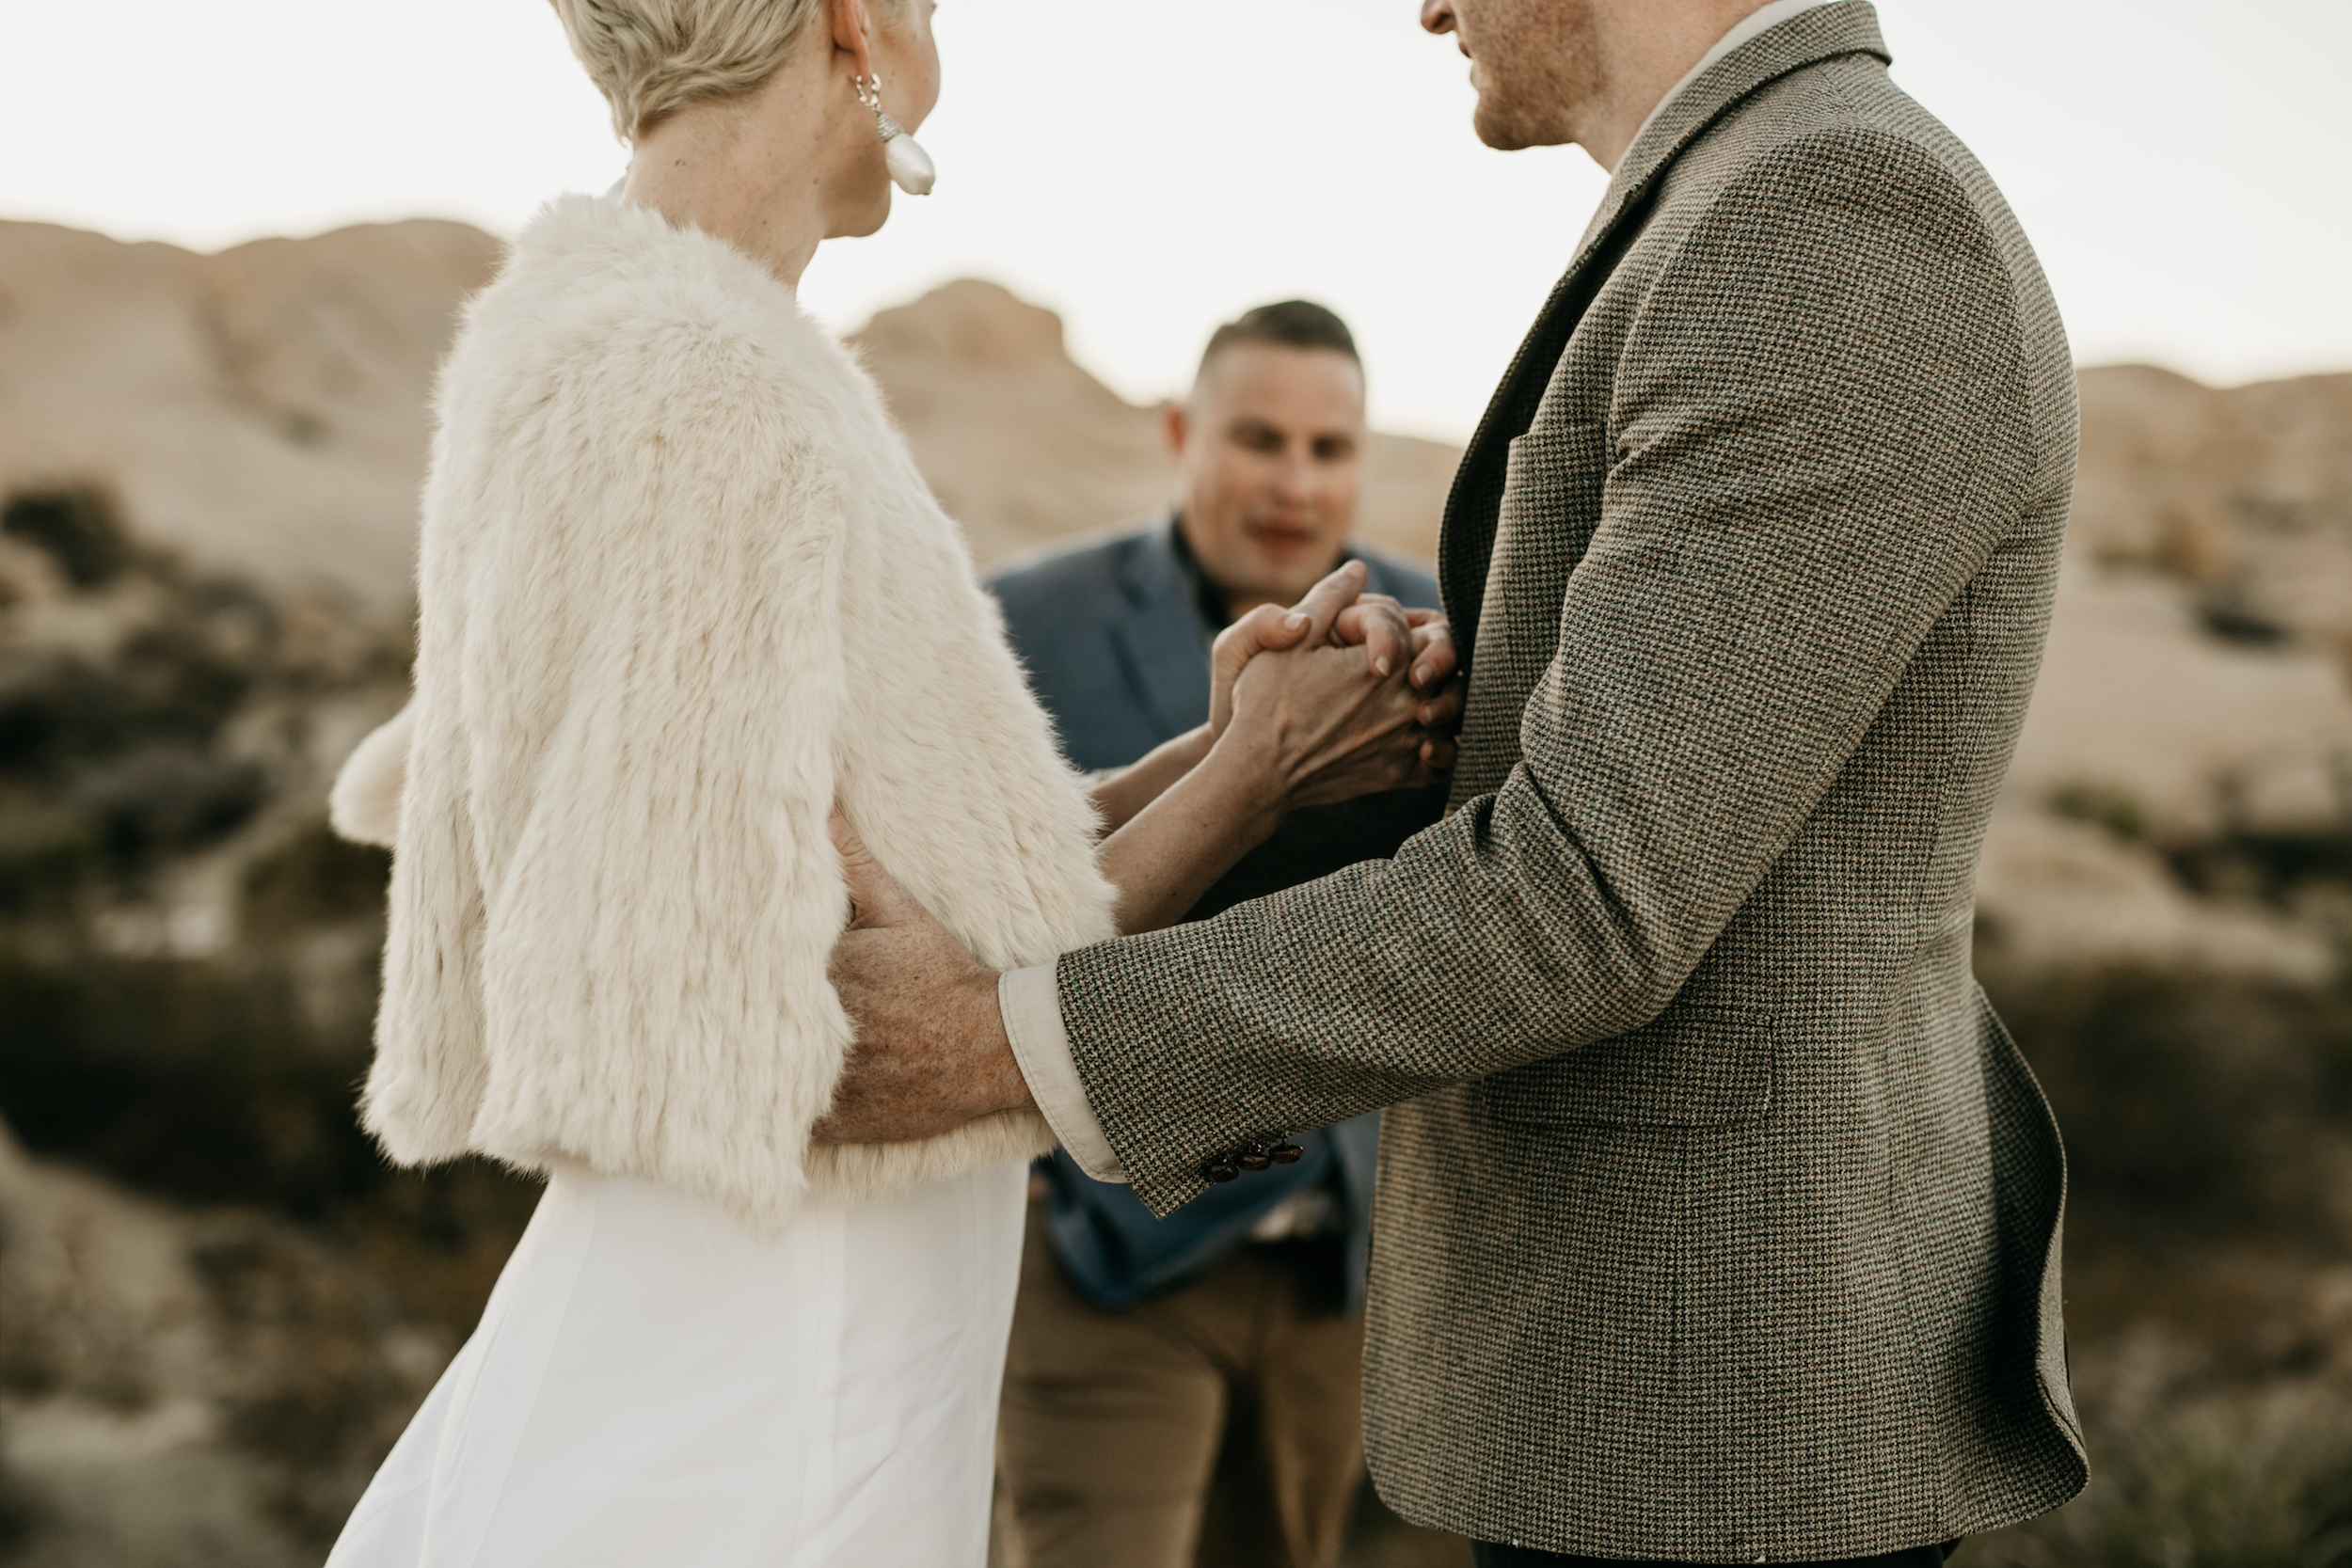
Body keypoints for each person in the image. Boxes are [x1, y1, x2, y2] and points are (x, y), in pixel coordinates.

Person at [818, 2, 2091, 1564]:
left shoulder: (1826, 215)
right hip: (1632, 1387)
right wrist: (1301, 753)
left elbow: (1584, 900)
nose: (1426, 4)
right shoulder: (1741, 197)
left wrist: (1003, 1042)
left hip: (1717, 1410)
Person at [314, 3, 1462, 1565]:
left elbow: (917, 883)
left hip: (822, 1311)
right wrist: (1256, 776)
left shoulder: (633, 344)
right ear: (854, 25)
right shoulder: (695, 385)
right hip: (777, 1352)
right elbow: (780, 1020)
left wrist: (1214, 748)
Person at [987, 300, 1442, 1568]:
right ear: (1185, 433)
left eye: (1329, 448)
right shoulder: (1022, 623)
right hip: (1104, 1265)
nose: (1297, 484)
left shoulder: (1439, 630)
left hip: (1340, 1279)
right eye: (1259, 440)